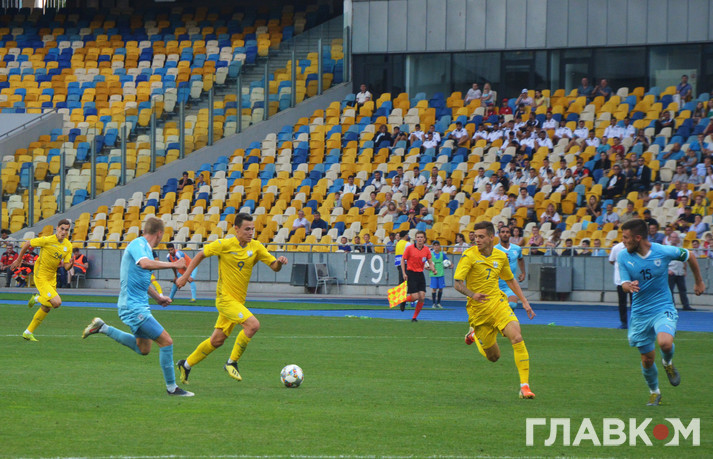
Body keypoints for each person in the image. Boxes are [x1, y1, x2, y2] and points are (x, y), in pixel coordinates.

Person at [81, 217, 193, 396]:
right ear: (160, 233)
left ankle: (103, 328)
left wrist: (158, 298)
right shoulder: (138, 244)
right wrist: (174, 264)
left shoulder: (145, 250)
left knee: (144, 349)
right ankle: (172, 388)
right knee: (166, 341)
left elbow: (141, 280)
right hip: (133, 308)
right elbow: (145, 264)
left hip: (138, 306)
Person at [175, 213, 288, 384]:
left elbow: (274, 267)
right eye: (247, 229)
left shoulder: (256, 247)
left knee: (217, 340)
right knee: (253, 325)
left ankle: (186, 365)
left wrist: (279, 262)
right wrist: (185, 276)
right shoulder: (224, 245)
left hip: (237, 302)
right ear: (236, 229)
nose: (251, 232)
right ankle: (231, 362)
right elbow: (200, 255)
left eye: (252, 229)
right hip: (225, 300)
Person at [618, 219, 705, 405]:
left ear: (638, 237)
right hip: (640, 313)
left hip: (662, 306)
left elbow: (690, 255)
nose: (623, 241)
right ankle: (654, 392)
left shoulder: (662, 251)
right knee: (647, 360)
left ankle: (667, 363)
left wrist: (699, 281)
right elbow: (623, 283)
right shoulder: (623, 256)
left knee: (665, 343)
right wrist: (628, 286)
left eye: (625, 237)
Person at [455, 221, 536, 399]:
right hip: (479, 312)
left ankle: (525, 386)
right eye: (476, 237)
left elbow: (510, 279)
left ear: (492, 237)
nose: (477, 240)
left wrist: (525, 302)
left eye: (481, 236)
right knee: (493, 357)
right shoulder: (469, 256)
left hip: (498, 304)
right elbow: (457, 283)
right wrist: (472, 294)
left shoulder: (500, 256)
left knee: (517, 337)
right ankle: (474, 334)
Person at [10, 219, 73, 341]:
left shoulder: (68, 246)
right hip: (41, 275)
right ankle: (36, 298)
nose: (64, 232)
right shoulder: (47, 240)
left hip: (52, 277)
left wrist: (70, 265)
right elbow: (28, 243)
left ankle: (28, 332)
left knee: (47, 307)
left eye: (67, 230)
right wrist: (19, 259)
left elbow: (66, 266)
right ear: (57, 228)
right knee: (57, 303)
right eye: (62, 229)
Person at [400, 231, 436, 322]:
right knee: (415, 297)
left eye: (421, 237)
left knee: (422, 297)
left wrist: (433, 269)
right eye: (418, 237)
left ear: (424, 239)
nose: (420, 239)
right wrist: (404, 273)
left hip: (420, 274)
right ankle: (403, 300)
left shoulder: (426, 250)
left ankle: (414, 317)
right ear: (415, 239)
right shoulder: (409, 248)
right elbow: (403, 260)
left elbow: (430, 262)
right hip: (411, 273)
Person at [495, 226, 526, 310]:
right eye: (503, 232)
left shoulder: (517, 248)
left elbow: (520, 259)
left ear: (510, 234)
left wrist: (523, 273)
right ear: (499, 234)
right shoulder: (494, 250)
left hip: (510, 285)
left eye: (507, 232)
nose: (505, 234)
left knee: (512, 305)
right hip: (495, 286)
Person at [666, 232, 695, 311]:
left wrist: (684, 270)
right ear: (670, 238)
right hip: (671, 271)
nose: (674, 239)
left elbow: (684, 260)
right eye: (673, 237)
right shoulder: (666, 249)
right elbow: (663, 262)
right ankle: (671, 306)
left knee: (683, 290)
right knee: (670, 290)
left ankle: (686, 305)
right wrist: (667, 270)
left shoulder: (681, 248)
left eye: (676, 237)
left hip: (680, 271)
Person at [609, 240, 630, 329]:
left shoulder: (635, 246)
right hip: (620, 280)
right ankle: (623, 322)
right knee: (622, 302)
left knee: (635, 302)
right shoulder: (616, 248)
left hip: (633, 279)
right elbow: (611, 260)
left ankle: (636, 322)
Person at [428, 241, 449, 309]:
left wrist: (450, 265)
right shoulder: (430, 254)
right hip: (433, 274)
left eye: (437, 245)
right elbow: (427, 264)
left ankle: (439, 303)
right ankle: (434, 303)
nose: (436, 247)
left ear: (439, 246)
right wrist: (429, 268)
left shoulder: (442, 254)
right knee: (434, 289)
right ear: (433, 247)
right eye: (435, 245)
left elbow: (447, 261)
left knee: (440, 289)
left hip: (441, 273)